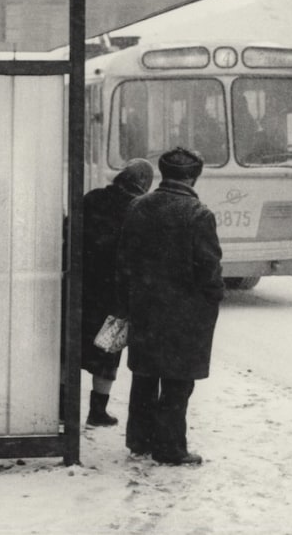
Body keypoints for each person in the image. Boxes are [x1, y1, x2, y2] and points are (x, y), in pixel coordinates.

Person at [116, 147, 224, 465]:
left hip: (146, 308)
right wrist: (212, 298)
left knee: (145, 375)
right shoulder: (198, 214)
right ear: (193, 176)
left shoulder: (138, 206)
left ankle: (140, 439)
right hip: (185, 314)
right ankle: (170, 447)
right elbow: (209, 269)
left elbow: (124, 260)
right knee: (177, 382)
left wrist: (129, 300)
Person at [81, 158, 154, 426]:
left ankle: (64, 407)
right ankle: (97, 410)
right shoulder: (138, 208)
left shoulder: (92, 198)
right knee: (107, 351)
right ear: (144, 183)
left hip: (83, 287)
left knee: (73, 346)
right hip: (115, 294)